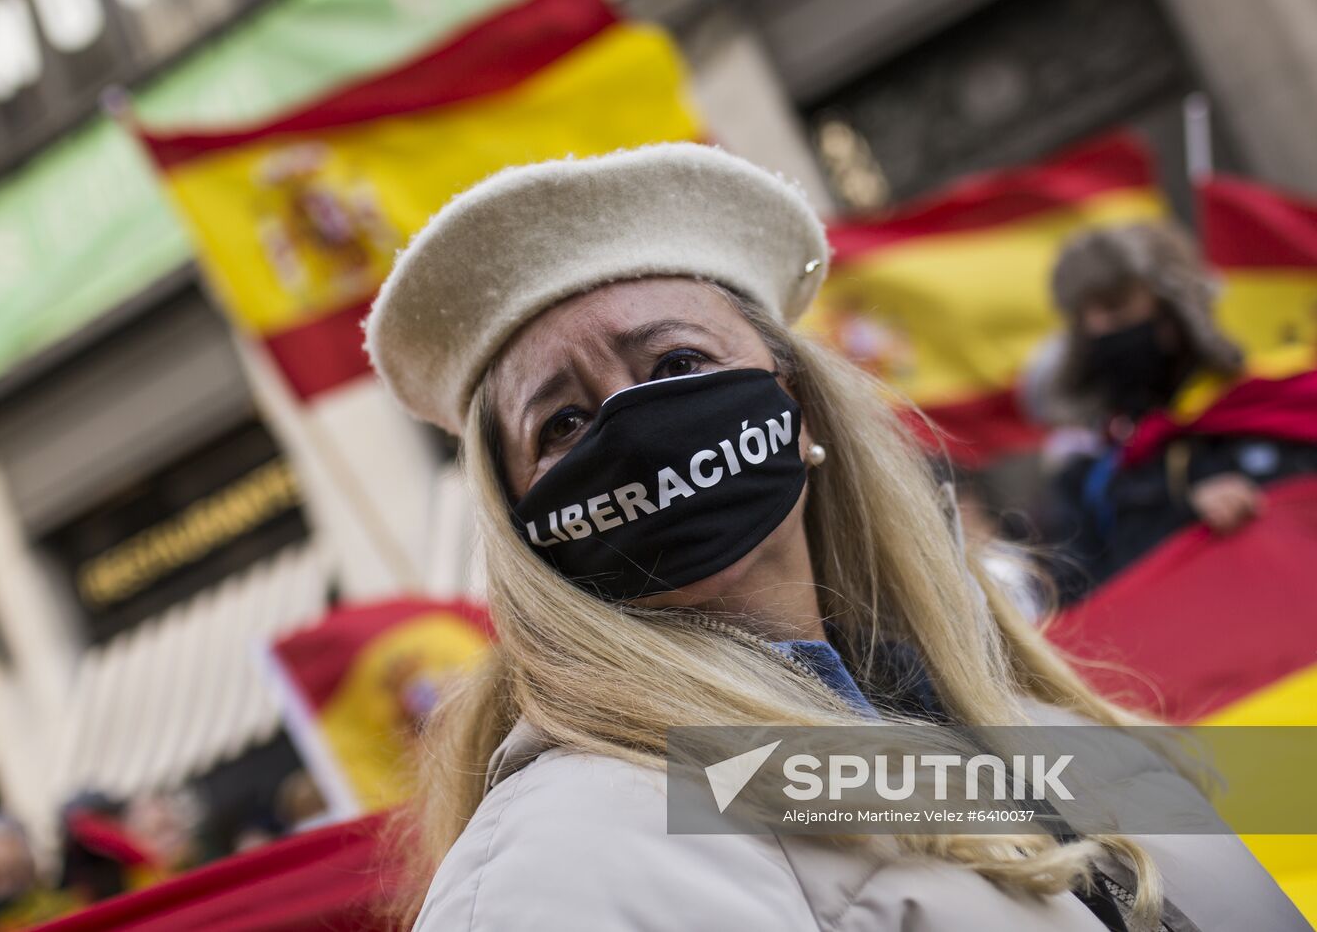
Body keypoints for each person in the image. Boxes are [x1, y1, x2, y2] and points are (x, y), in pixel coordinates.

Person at [363, 144, 1305, 930]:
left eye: (678, 362)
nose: (633, 422)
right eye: (561, 423)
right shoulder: (566, 855)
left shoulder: (1023, 723)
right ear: (532, 528)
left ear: (801, 405)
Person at [1038, 223, 1317, 599]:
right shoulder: (1092, 474)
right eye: (1085, 318)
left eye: (1115, 307)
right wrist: (1181, 521)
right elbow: (1089, 609)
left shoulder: (1276, 413)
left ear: (1173, 313)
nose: (1099, 329)